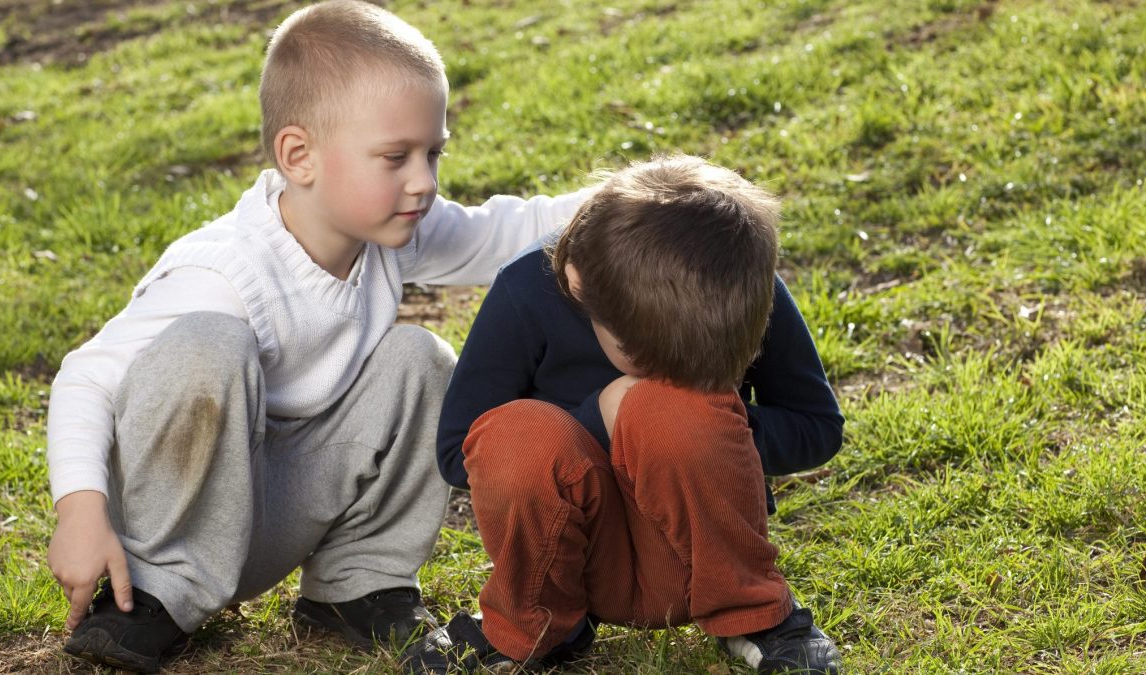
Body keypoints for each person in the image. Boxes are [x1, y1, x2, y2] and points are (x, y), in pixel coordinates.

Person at [45, 1, 589, 671]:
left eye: (433, 153)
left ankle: (357, 583)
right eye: (396, 157)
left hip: (268, 514)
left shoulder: (390, 228)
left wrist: (634, 198)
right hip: (169, 525)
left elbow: (501, 234)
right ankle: (155, 597)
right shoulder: (222, 270)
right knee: (207, 344)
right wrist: (80, 513)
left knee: (421, 357)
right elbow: (85, 378)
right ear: (298, 156)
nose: (423, 180)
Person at [412, 155, 845, 674]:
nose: (663, 372)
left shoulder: (740, 284)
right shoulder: (526, 290)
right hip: (571, 556)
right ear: (577, 285)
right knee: (516, 431)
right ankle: (533, 624)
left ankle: (753, 614)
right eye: (646, 358)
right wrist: (599, 418)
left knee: (663, 409)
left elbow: (817, 426)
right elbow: (457, 447)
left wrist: (716, 420)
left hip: (696, 555)